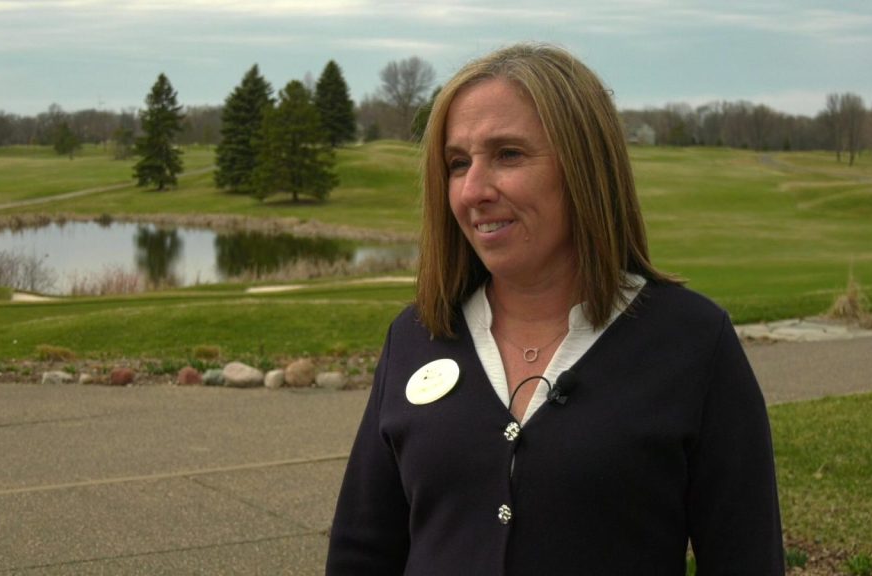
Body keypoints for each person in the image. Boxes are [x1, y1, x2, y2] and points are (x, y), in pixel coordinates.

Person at [326, 43, 785, 575]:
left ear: (585, 167)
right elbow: (362, 552)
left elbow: (746, 558)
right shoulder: (416, 336)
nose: (473, 190)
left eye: (509, 155)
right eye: (457, 163)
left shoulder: (693, 344)